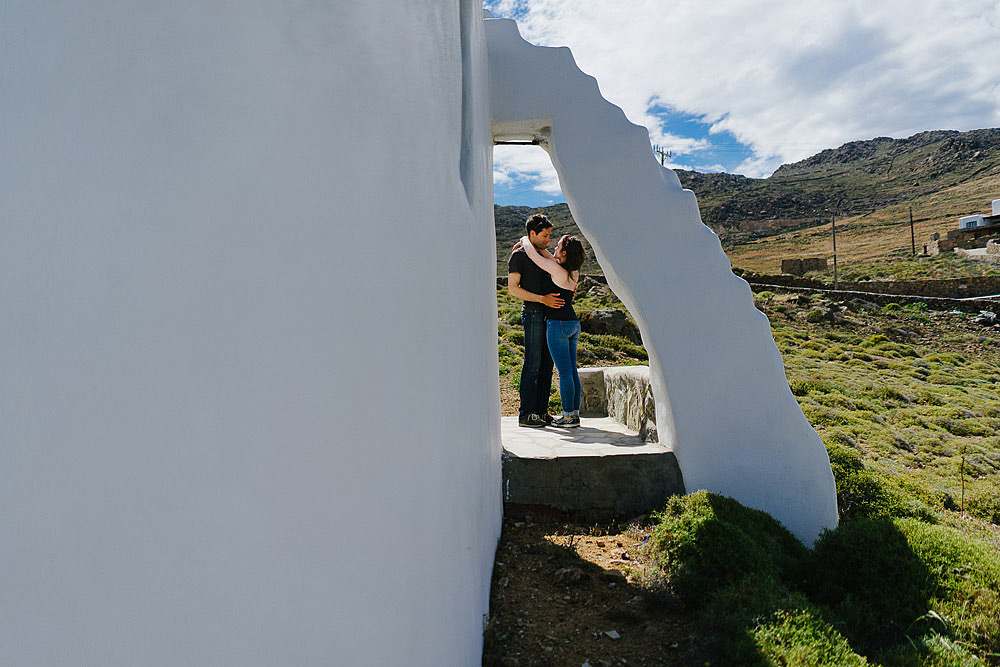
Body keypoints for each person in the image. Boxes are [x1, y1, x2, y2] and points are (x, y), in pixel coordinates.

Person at [516, 232, 586, 428]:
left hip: (558, 325)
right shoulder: (572, 271)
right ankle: (574, 414)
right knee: (572, 370)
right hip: (573, 323)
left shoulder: (557, 271)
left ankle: (567, 417)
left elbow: (534, 257)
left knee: (564, 373)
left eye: (558, 246)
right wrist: (547, 251)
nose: (553, 248)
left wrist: (524, 240)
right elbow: (548, 257)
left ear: (564, 252)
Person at [507, 214, 564, 428]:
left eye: (550, 235)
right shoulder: (518, 257)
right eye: (545, 235)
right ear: (532, 233)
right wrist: (542, 299)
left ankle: (541, 412)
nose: (548, 239)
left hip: (551, 315)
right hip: (533, 314)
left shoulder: (543, 255)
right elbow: (513, 289)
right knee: (533, 363)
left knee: (547, 365)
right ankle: (526, 413)